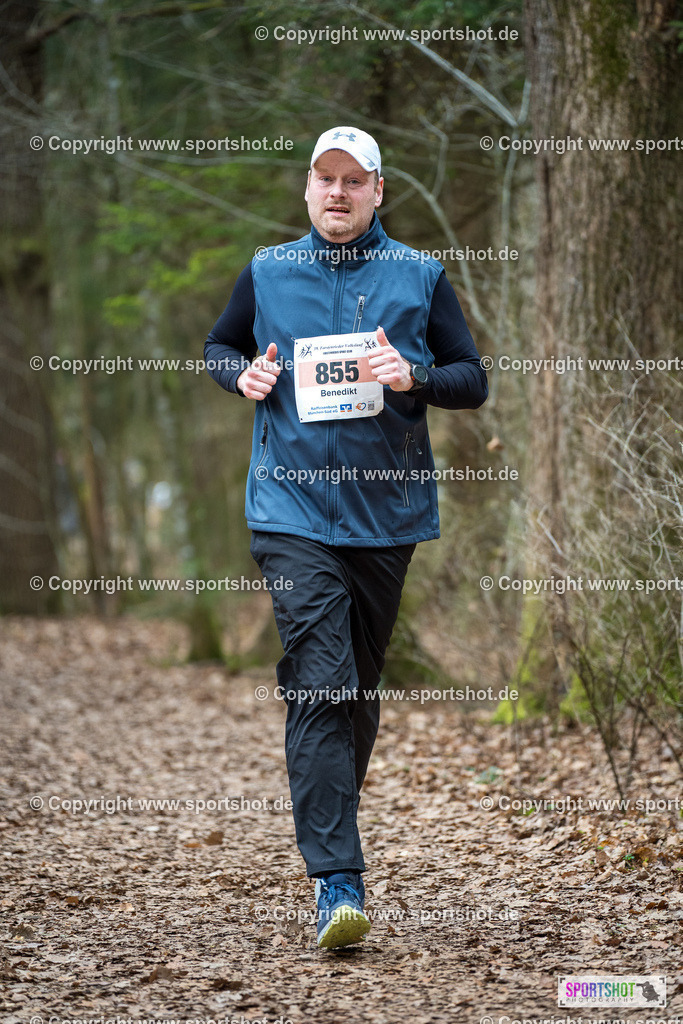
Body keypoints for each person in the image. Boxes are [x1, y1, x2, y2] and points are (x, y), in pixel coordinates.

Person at [204, 126, 488, 950]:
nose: (336, 193)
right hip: (289, 513)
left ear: (376, 190)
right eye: (323, 180)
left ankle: (331, 839)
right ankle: (337, 885)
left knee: (353, 694)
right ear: (307, 189)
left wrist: (416, 377)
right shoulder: (269, 271)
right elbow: (220, 346)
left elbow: (471, 380)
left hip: (383, 517)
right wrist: (242, 375)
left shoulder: (418, 276)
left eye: (352, 181)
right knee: (322, 681)